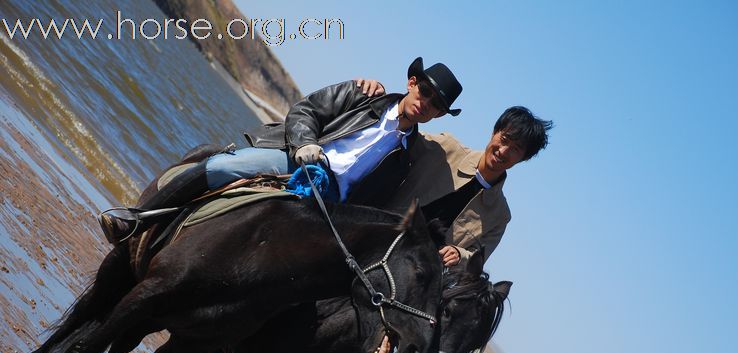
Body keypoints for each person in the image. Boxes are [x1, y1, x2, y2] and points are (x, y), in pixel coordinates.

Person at [99, 57, 463, 244]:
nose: (426, 104)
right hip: (296, 159)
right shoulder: (362, 94)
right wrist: (305, 143)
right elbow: (306, 110)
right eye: (425, 93)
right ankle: (137, 218)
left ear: (440, 114)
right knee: (223, 167)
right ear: (412, 83)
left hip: (330, 206)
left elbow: (375, 200)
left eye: (436, 105)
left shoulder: (407, 155)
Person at [384, 106, 553, 267]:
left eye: (515, 149)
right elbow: (398, 136)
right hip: (379, 235)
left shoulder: (500, 215)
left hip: (415, 275)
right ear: (494, 132)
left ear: (524, 158)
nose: (503, 151)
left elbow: (477, 260)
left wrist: (459, 255)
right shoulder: (446, 148)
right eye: (504, 140)